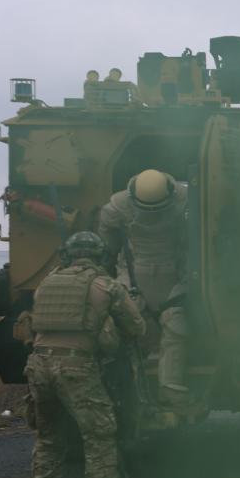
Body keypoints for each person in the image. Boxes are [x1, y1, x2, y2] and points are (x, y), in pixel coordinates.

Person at [26, 232, 145, 478]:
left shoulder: (46, 284)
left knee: (49, 436)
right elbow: (136, 328)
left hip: (38, 365)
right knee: (99, 435)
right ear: (99, 256)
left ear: (66, 255)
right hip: (75, 367)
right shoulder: (106, 285)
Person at [98, 169, 189, 415]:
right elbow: (106, 237)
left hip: (171, 275)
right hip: (135, 272)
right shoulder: (118, 207)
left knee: (175, 328)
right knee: (130, 333)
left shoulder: (185, 202)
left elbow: (106, 237)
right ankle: (132, 391)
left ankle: (168, 388)